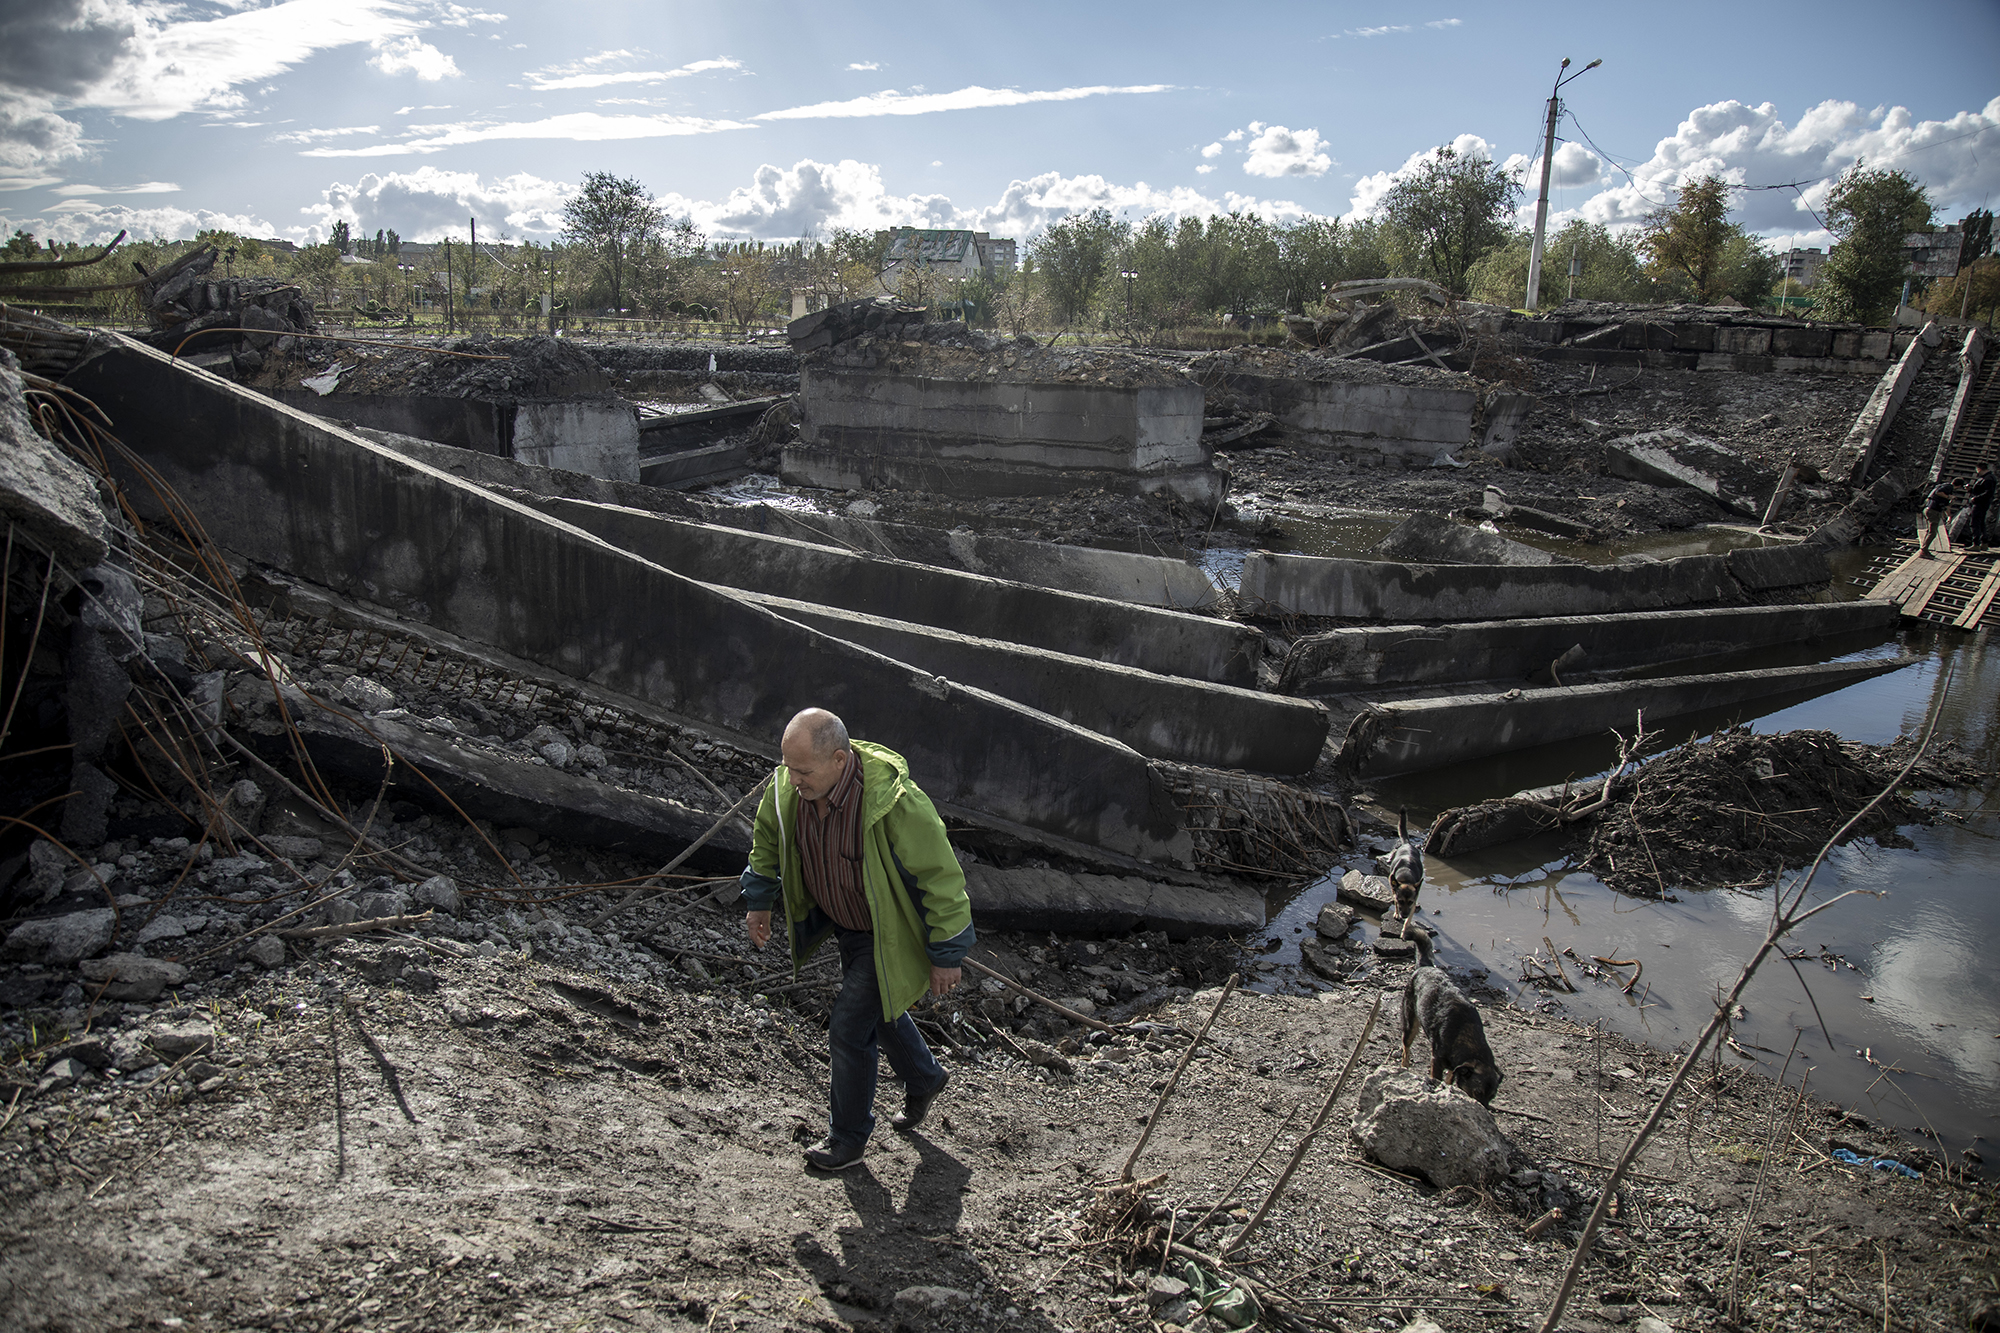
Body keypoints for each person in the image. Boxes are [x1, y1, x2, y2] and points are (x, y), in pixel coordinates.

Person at [741, 707, 973, 1171]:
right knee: (880, 1010)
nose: (792, 780)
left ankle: (847, 1139)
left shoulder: (895, 803)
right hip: (846, 923)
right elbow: (766, 839)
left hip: (887, 933)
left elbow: (942, 878)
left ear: (839, 760)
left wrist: (947, 953)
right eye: (788, 767)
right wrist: (759, 900)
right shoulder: (789, 788)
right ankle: (924, 1077)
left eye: (804, 771)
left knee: (848, 1027)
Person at [1918, 478, 1960, 557]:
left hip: (1928, 509)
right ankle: (1923, 551)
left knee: (1930, 531)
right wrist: (1949, 497)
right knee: (1933, 532)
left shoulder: (1943, 486)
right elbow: (1938, 492)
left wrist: (1949, 516)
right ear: (1959, 486)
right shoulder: (1949, 487)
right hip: (1933, 511)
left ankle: (1924, 549)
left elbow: (1946, 506)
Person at [1966, 462, 1994, 551]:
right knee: (1981, 522)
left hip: (1980, 504)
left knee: (1974, 523)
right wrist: (1970, 490)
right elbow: (1980, 490)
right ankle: (1984, 543)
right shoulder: (1986, 478)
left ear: (1979, 469)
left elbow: (1988, 493)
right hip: (1981, 503)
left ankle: (1976, 544)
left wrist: (1976, 498)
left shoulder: (1988, 479)